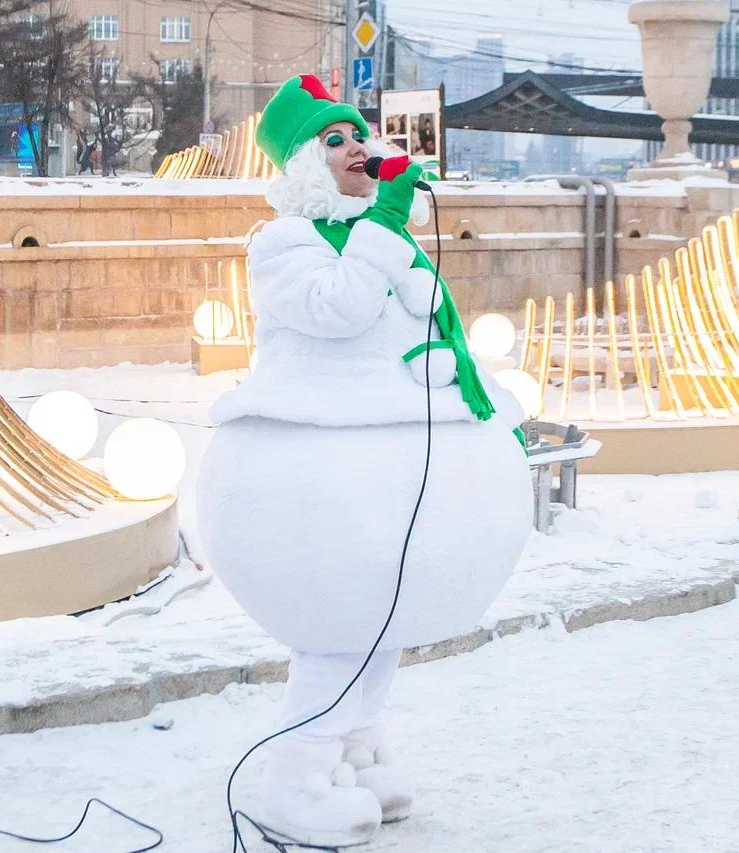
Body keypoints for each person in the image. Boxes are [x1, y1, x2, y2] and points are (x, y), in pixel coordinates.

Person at [195, 74, 531, 847]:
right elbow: (337, 311)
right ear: (305, 165)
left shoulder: (395, 240)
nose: (356, 148)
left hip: (392, 479)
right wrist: (384, 221)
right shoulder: (283, 243)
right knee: (338, 626)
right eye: (334, 140)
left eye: (358, 135)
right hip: (316, 487)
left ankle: (357, 745)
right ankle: (297, 772)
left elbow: (422, 331)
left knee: (385, 623)